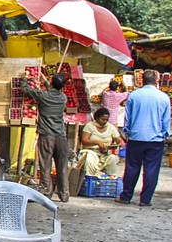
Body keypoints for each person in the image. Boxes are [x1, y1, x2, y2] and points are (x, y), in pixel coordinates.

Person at [119, 69, 172, 207]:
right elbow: (166, 121)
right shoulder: (163, 97)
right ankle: (145, 199)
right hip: (155, 139)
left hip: (136, 137)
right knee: (151, 170)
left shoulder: (134, 96)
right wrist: (165, 134)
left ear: (142, 80)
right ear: (156, 81)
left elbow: (128, 117)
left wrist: (127, 132)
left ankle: (126, 196)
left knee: (132, 167)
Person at [23, 73, 70, 202]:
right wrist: (47, 82)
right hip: (61, 136)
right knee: (62, 166)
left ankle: (47, 192)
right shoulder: (63, 98)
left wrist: (24, 80)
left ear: (52, 83)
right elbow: (53, 91)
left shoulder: (43, 95)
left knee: (46, 165)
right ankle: (64, 194)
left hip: (47, 136)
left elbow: (26, 90)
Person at [77, 107, 123, 178]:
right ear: (97, 118)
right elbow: (84, 141)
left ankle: (109, 179)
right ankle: (90, 179)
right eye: (103, 119)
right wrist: (97, 142)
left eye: (106, 120)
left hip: (106, 154)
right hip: (91, 152)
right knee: (89, 159)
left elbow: (118, 139)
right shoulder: (90, 126)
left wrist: (119, 142)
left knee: (112, 158)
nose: (105, 121)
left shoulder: (110, 127)